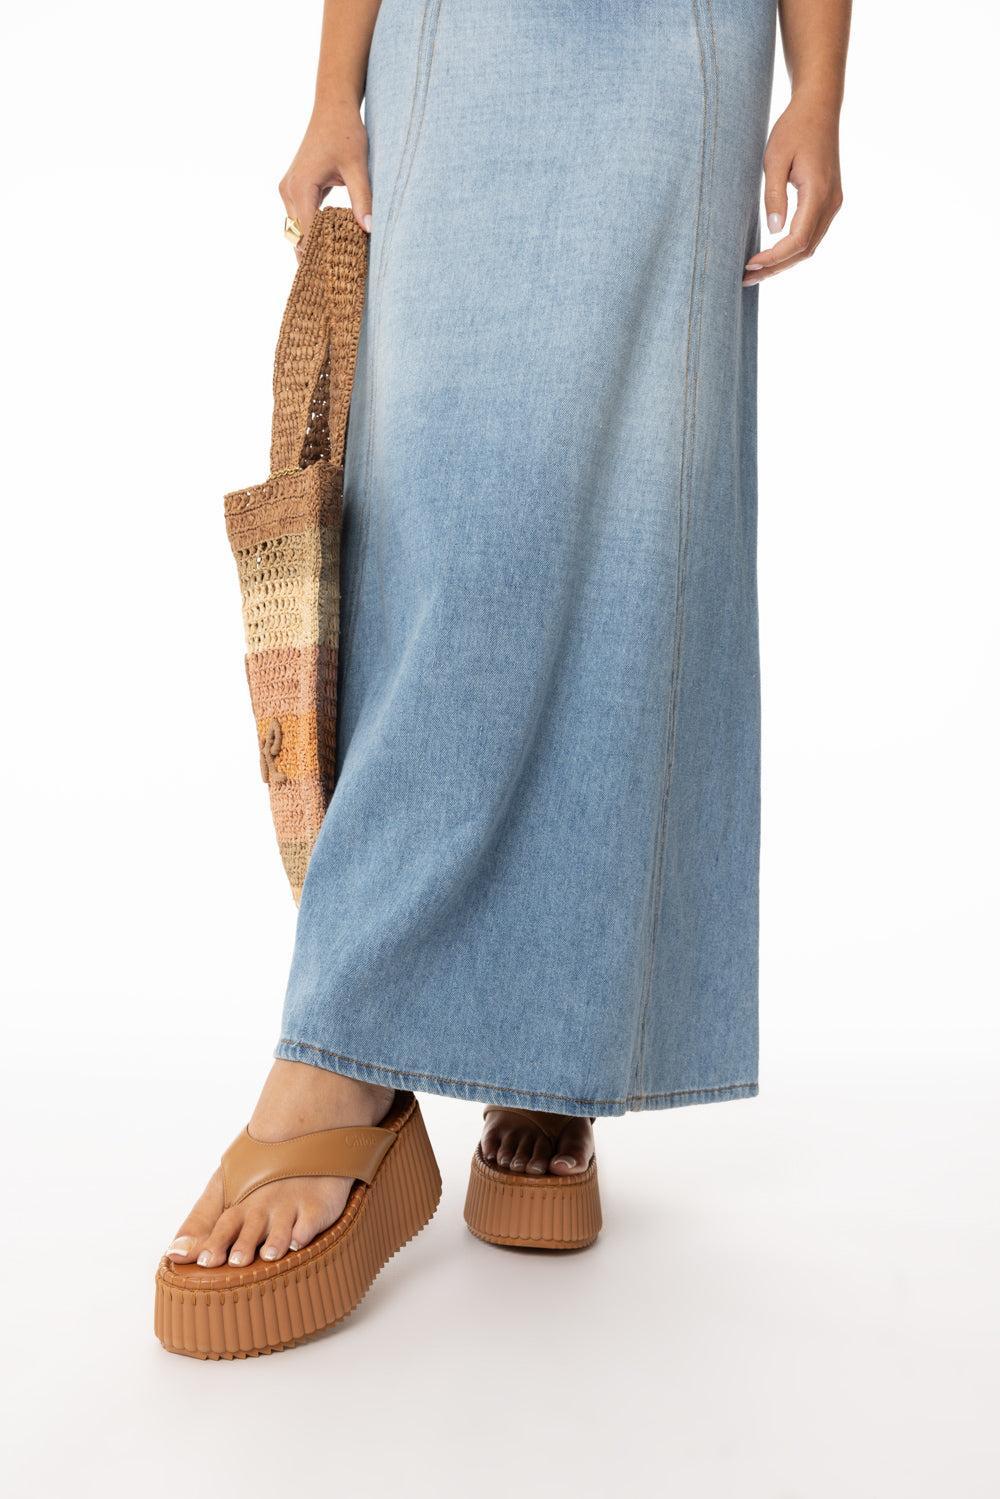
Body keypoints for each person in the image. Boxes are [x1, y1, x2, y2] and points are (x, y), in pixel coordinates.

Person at [156, 0, 849, 1357]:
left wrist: (816, 92)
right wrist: (333, 86)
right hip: (455, 44)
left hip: (679, 57)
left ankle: (551, 1049)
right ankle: (346, 1048)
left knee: (630, 530)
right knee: (444, 522)